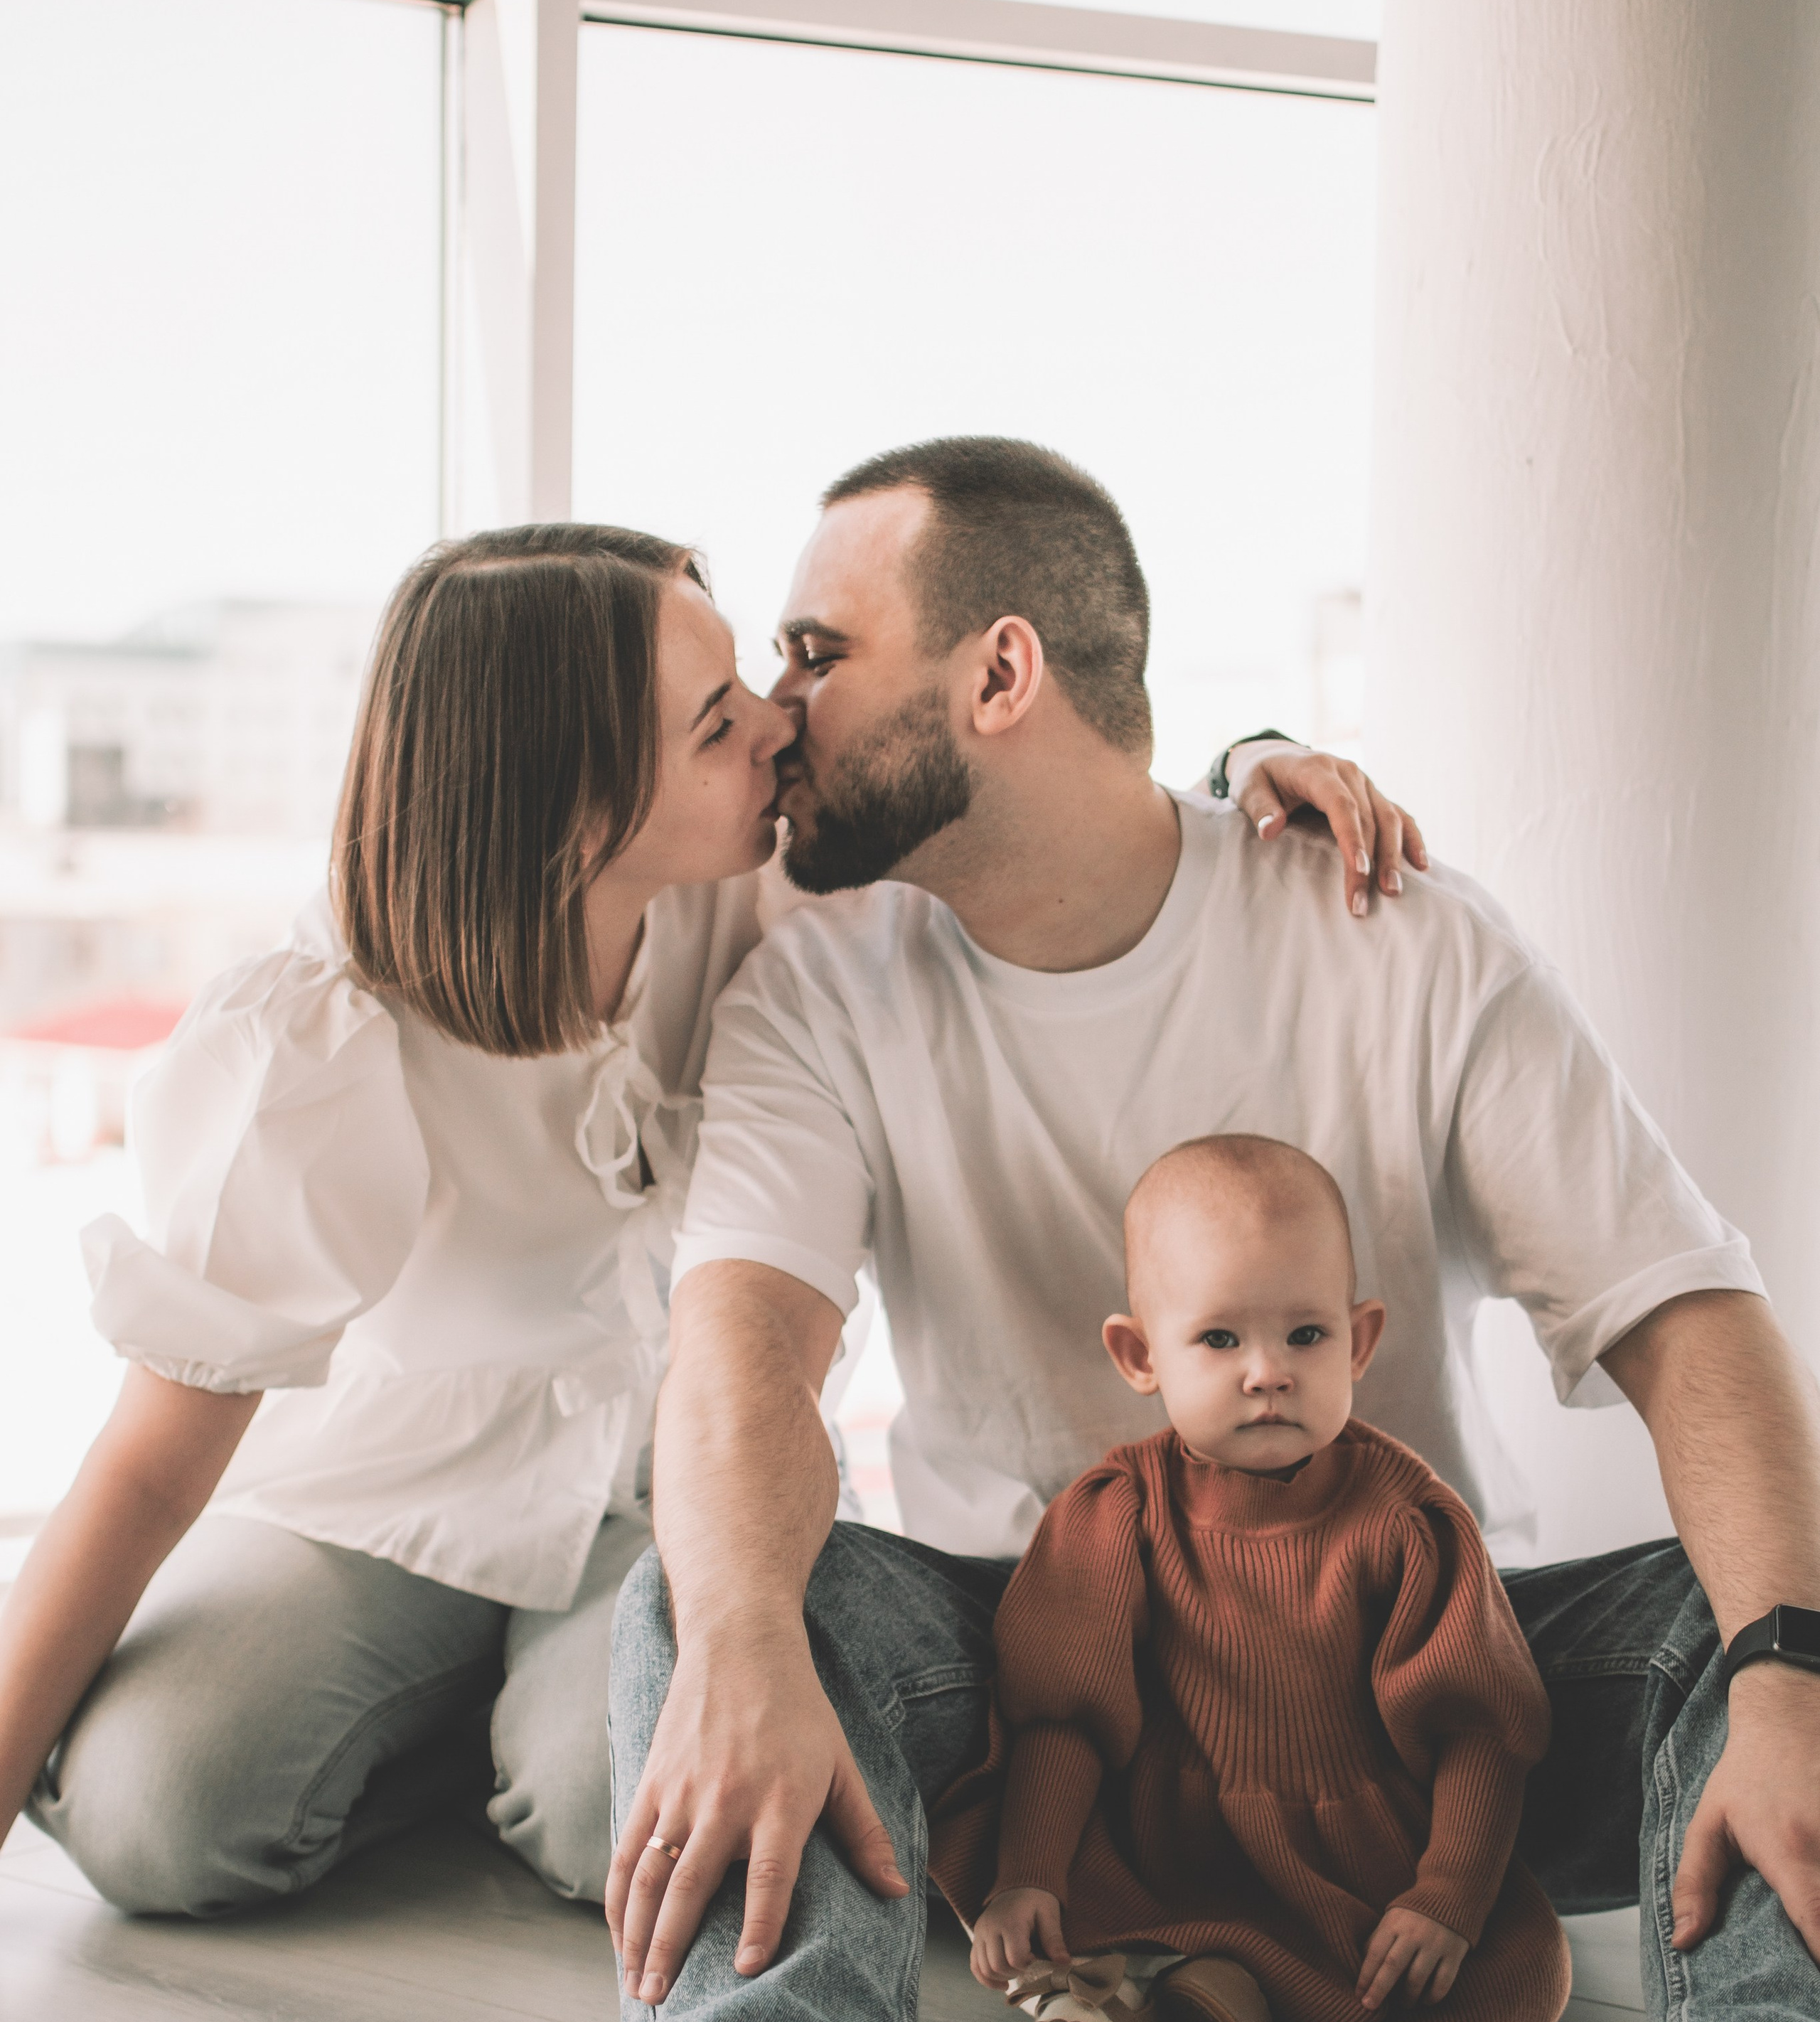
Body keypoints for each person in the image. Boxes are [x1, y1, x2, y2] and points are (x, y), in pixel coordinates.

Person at [338, 432, 1820, 2022]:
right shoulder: (820, 977)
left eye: (815, 649)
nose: (778, 712)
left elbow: (1685, 1317)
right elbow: (744, 1355)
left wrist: (1783, 1671)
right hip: (1033, 1712)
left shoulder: (1391, 930)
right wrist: (755, 1646)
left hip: (1386, 1712)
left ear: (1001, 678)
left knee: (1765, 1622)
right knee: (722, 1601)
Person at [0, 515, 1382, 1916]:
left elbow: (1033, 813)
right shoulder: (313, 1037)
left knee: (624, 1801)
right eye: (717, 719)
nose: (780, 728)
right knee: (157, 1812)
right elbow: (146, 1474)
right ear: (574, 802)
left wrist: (1237, 772)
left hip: (672, 1497)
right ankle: (454, 1738)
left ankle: (516, 1759)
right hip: (382, 1500)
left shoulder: (769, 887)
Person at [938, 1132, 1571, 2022]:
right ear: (1141, 1355)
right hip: (1163, 1842)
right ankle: (1135, 1994)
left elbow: (1481, 1730)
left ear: (1359, 1340)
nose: (1267, 1372)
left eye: (1306, 1336)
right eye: (1221, 1338)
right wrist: (1030, 1872)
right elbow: (1066, 1719)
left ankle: (1205, 1993)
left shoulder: (1407, 1519)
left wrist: (1448, 1893)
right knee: (1048, 1914)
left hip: (1345, 1864)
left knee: (1509, 1985)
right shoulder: (1117, 1512)